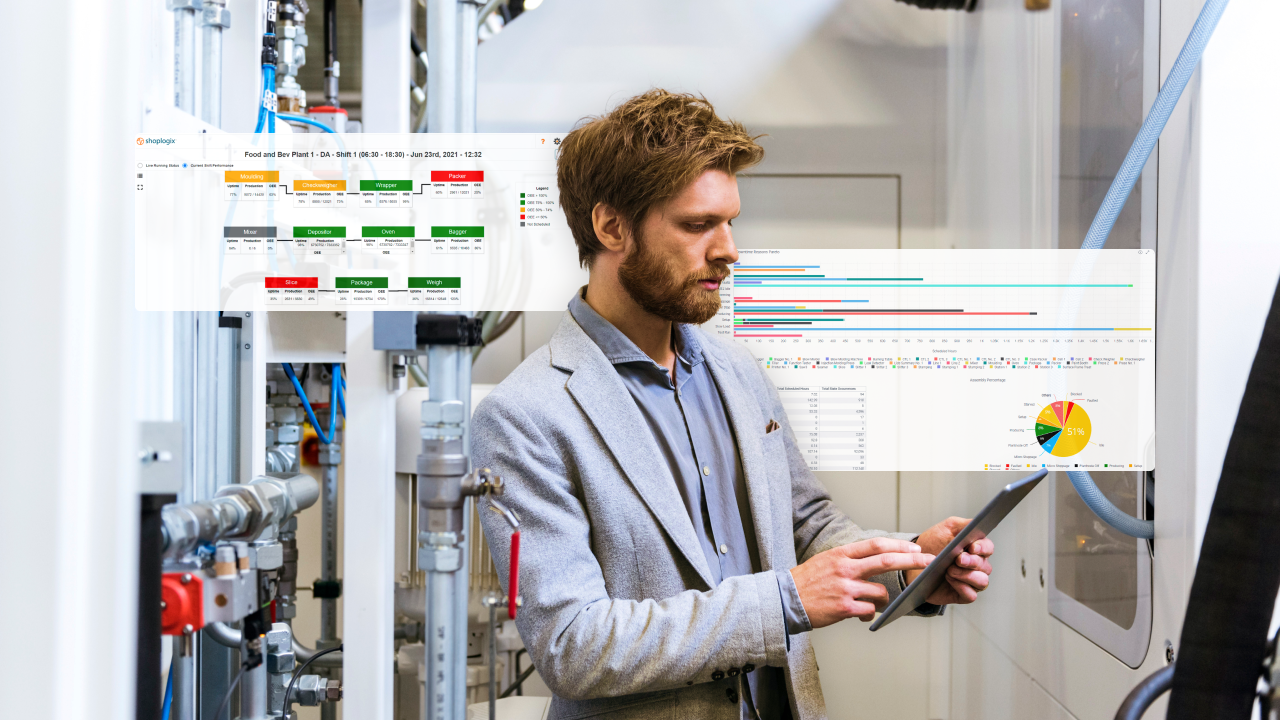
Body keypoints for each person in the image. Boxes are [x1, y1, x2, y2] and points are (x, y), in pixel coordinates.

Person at [474, 90, 995, 719]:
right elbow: (572, 647)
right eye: (697, 225)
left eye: (730, 221)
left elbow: (805, 525)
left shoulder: (736, 371)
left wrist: (909, 565)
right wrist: (781, 603)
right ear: (611, 227)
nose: (728, 249)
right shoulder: (525, 417)